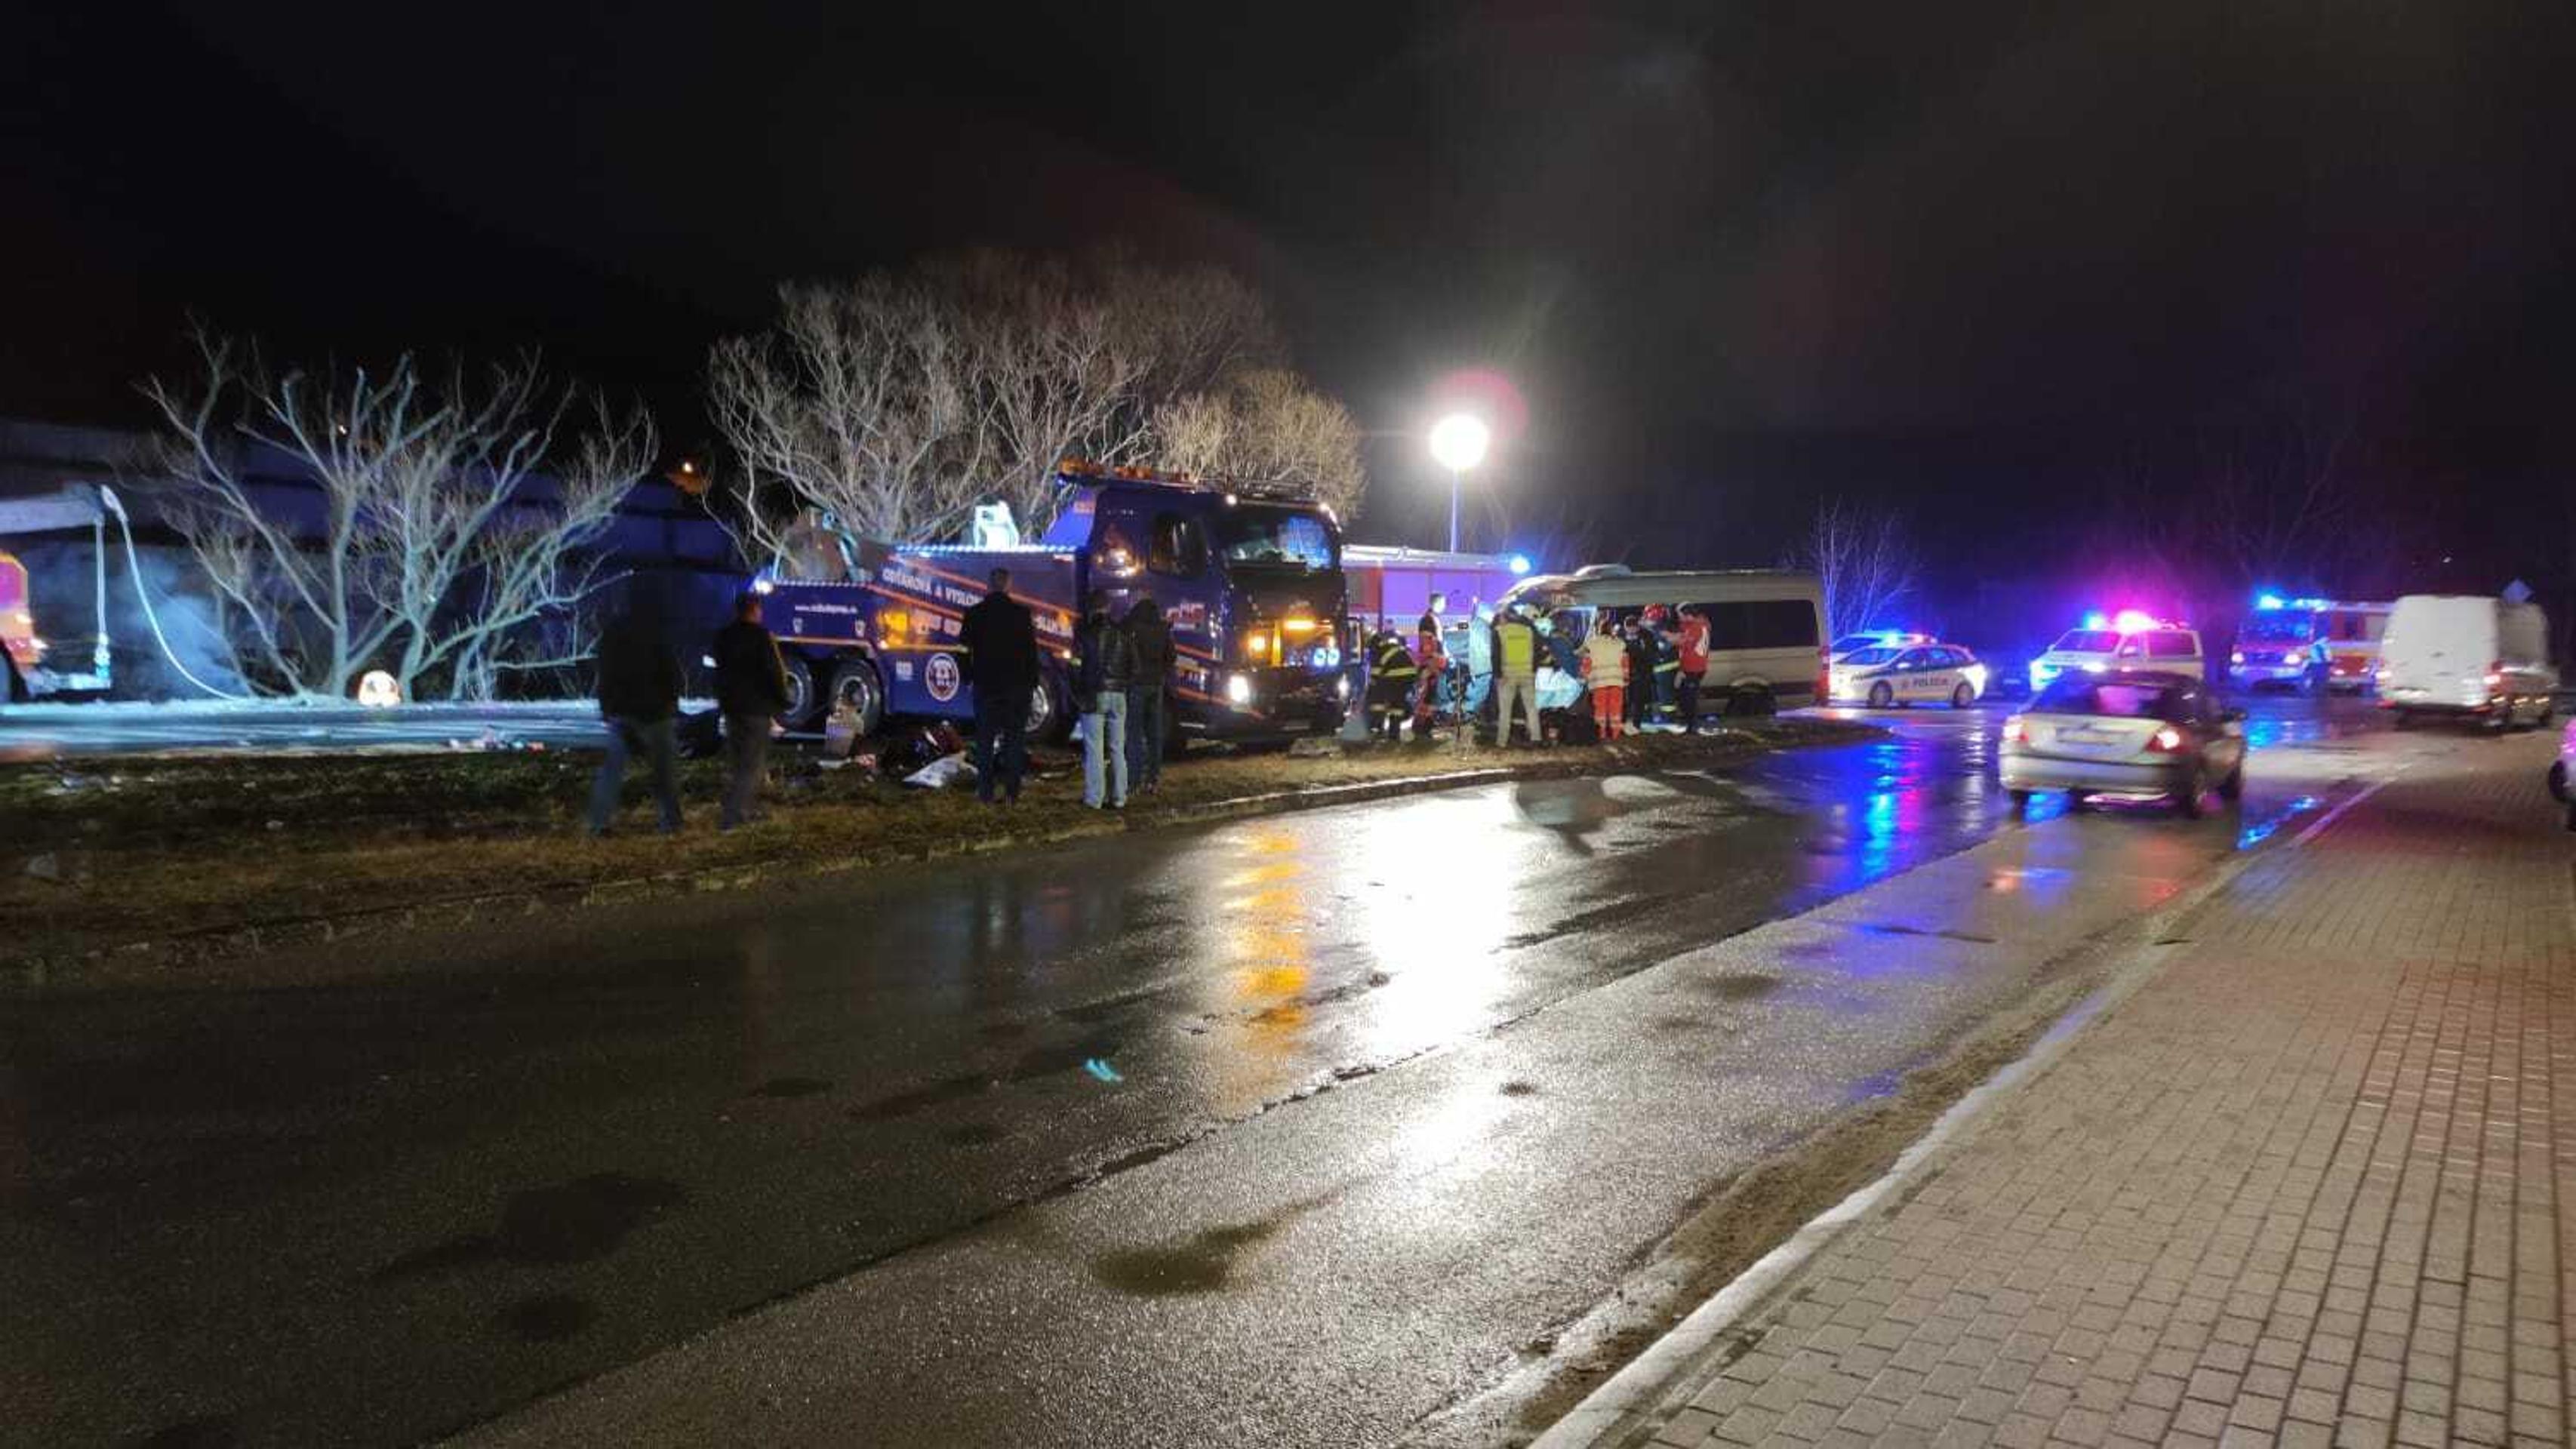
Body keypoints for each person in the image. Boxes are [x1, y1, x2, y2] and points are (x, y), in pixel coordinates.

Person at [586, 583, 685, 835]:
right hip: (655, 713)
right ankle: (670, 822)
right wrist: (671, 700)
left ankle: (599, 824)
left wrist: (607, 708)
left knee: (611, 772)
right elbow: (670, 670)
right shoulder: (656, 631)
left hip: (621, 712)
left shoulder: (613, 632)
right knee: (664, 773)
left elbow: (604, 672)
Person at [959, 567, 1039, 804]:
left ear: (989, 585)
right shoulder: (1022, 614)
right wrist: (1031, 682)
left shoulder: (975, 614)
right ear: (1008, 585)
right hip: (1017, 689)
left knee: (985, 742)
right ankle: (1012, 793)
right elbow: (1031, 653)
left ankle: (985, 793)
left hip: (987, 687)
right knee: (1014, 741)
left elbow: (963, 650)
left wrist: (969, 677)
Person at [712, 590, 790, 829]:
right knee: (753, 766)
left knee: (738, 763)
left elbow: (718, 670)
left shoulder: (723, 636)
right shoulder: (762, 637)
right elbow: (775, 673)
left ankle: (743, 810)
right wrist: (781, 703)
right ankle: (732, 817)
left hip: (732, 707)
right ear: (755, 610)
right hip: (756, 709)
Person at [1074, 597, 1134, 808]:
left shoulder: (1085, 634)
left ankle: (1094, 799)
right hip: (1118, 695)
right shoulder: (1123, 633)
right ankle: (1119, 797)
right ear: (1108, 608)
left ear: (1091, 610)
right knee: (1118, 748)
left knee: (1094, 749)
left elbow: (1075, 667)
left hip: (1094, 695)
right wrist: (1122, 684)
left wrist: (1078, 691)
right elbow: (1134, 667)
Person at [1124, 595, 1174, 793]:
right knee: (1154, 734)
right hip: (1157, 686)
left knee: (1134, 734)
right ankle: (1152, 780)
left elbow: (1127, 656)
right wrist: (1161, 672)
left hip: (1137, 685)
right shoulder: (1163, 629)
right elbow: (1172, 656)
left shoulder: (1133, 628)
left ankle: (1134, 780)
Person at [1489, 605, 1543, 746]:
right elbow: (1538, 651)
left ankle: (1502, 742)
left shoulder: (1500, 632)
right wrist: (1533, 669)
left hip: (1507, 676)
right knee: (1531, 708)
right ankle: (1536, 738)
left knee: (1505, 710)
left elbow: (1495, 655)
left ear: (1506, 618)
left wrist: (1497, 675)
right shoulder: (1528, 631)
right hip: (1527, 674)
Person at [1580, 614, 1630, 740]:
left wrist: (1584, 677)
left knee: (1600, 712)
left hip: (1599, 683)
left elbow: (1587, 663)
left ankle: (1601, 734)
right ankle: (1615, 735)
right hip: (1616, 683)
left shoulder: (1592, 644)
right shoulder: (1620, 644)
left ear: (1599, 629)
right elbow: (1625, 663)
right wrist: (1626, 679)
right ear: (1611, 630)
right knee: (1616, 711)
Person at [1367, 623, 1417, 741]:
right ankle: (1393, 735)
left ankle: (1377, 727)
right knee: (1397, 706)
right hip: (1409, 677)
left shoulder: (1376, 651)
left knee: (1377, 700)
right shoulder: (1390, 646)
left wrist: (1370, 690)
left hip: (1395, 677)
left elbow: (1375, 675)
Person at [1413, 599, 1448, 737]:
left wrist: (1466, 625)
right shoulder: (1428, 620)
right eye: (1443, 603)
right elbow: (1427, 644)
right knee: (1427, 697)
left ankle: (1424, 727)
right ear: (1436, 604)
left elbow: (1444, 632)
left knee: (1430, 697)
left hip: (1433, 664)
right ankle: (1422, 728)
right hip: (1431, 664)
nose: (1445, 606)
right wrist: (1432, 662)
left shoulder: (1433, 620)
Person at [1676, 605, 1710, 732]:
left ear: (1688, 615)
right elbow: (1683, 629)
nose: (1680, 619)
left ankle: (1692, 728)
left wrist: (1667, 635)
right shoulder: (1698, 624)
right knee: (1685, 697)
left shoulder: (1696, 627)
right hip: (1694, 667)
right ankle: (1691, 725)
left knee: (1689, 699)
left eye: (1681, 615)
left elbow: (1685, 642)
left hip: (1694, 668)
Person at [1622, 615, 1658, 734]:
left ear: (1637, 627)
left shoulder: (1647, 636)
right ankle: (1624, 725)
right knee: (1626, 701)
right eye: (1628, 629)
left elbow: (1651, 654)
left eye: (1633, 629)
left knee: (1639, 701)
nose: (1630, 632)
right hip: (1626, 674)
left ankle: (1637, 724)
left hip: (1642, 674)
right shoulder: (1620, 635)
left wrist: (1643, 667)